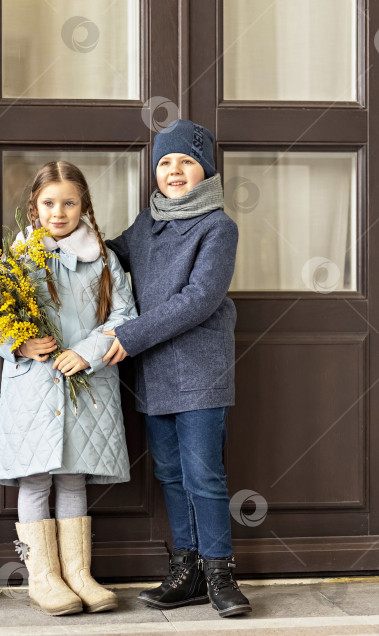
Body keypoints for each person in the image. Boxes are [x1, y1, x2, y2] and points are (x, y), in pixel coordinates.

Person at [103, 119, 251, 618]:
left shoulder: (218, 226)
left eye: (186, 161)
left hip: (199, 368)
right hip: (153, 372)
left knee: (203, 474)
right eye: (165, 162)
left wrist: (127, 336)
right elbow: (107, 258)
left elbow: (198, 300)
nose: (174, 171)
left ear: (205, 169)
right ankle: (185, 568)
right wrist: (55, 243)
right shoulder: (146, 224)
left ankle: (219, 571)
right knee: (169, 472)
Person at [0, 161, 137, 616]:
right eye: (49, 203)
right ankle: (44, 578)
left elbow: (124, 316)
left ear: (83, 205)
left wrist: (87, 350)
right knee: (35, 478)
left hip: (87, 383)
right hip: (35, 390)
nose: (59, 212)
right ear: (34, 206)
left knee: (73, 476)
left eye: (69, 203)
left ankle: (79, 573)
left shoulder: (105, 259)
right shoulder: (18, 258)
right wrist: (21, 342)